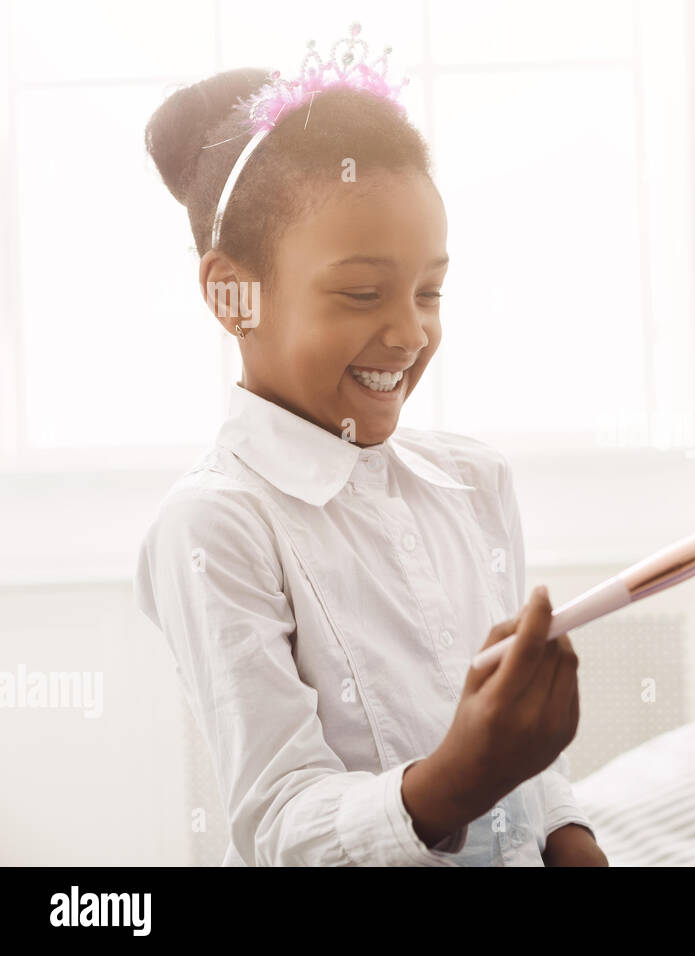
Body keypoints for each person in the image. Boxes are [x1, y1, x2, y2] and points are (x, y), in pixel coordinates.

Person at [134, 27, 605, 866]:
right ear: (233, 292)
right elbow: (285, 821)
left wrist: (569, 833)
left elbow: (535, 771)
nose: (410, 331)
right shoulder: (216, 527)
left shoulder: (474, 482)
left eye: (431, 291)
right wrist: (461, 775)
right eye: (361, 292)